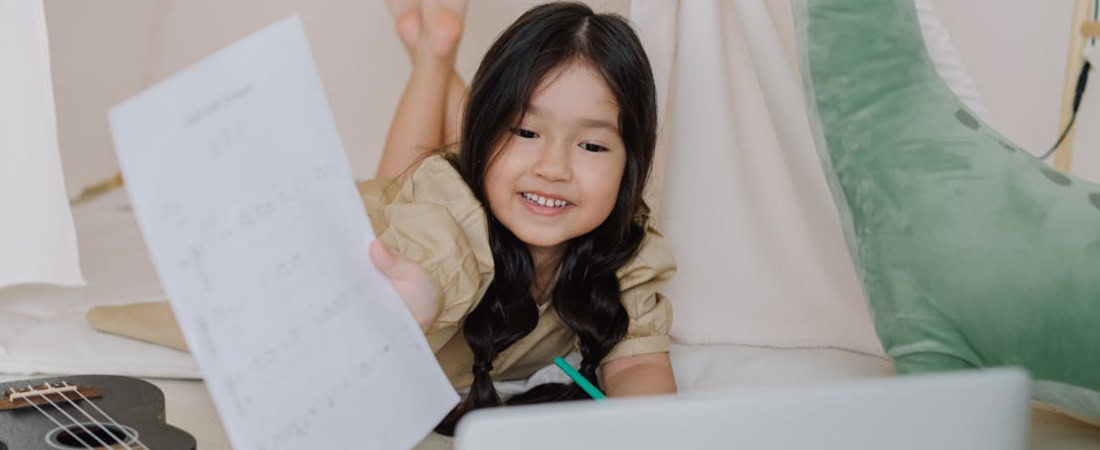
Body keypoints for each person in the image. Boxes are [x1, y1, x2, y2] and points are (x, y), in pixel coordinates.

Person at [363, 0, 676, 435]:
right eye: (526, 132)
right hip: (379, 225)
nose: (555, 167)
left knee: (505, 173)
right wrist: (424, 290)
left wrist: (653, 433)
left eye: (592, 146)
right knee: (409, 183)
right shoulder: (447, 212)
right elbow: (435, 251)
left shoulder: (625, 249)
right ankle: (433, 56)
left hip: (483, 181)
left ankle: (432, 50)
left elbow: (639, 364)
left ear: (631, 164)